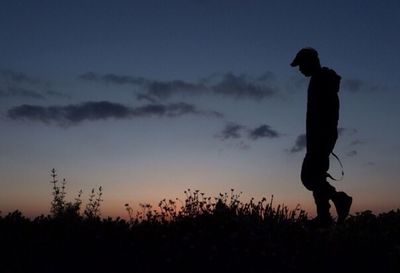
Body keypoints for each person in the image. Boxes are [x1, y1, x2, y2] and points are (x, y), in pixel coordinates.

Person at [291, 47, 352, 228]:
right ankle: (324, 216)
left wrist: (321, 138)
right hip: (321, 137)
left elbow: (326, 113)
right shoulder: (321, 79)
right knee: (316, 176)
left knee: (309, 177)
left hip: (321, 137)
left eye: (301, 65)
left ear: (311, 61)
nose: (300, 69)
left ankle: (339, 200)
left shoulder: (321, 80)